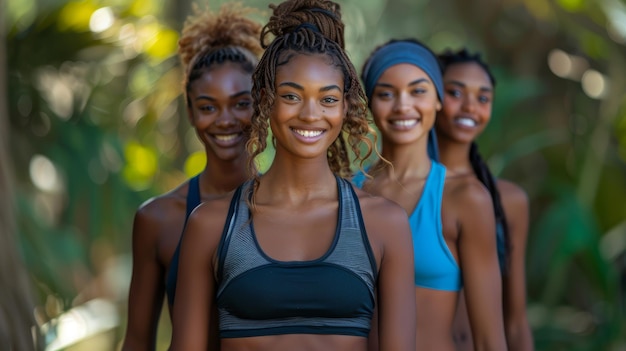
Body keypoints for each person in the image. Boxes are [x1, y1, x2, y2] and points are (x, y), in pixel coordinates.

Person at [169, 1, 416, 350]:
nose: (310, 114)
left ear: (346, 107)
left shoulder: (385, 223)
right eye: (291, 96)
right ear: (265, 100)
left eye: (327, 99)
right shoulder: (210, 224)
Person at [121, 4, 263, 350]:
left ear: (263, 104)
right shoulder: (158, 218)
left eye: (240, 103)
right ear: (190, 112)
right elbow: (137, 341)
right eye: (208, 106)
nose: (224, 120)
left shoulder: (295, 208)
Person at [355, 39, 507, 350]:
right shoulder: (348, 191)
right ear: (369, 102)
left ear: (438, 100)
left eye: (418, 91)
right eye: (386, 93)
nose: (402, 105)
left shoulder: (466, 198)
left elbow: (490, 339)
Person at [435, 48, 533, 351]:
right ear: (431, 97)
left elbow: (515, 320)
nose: (470, 107)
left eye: (483, 98)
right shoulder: (402, 195)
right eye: (455, 92)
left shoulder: (508, 200)